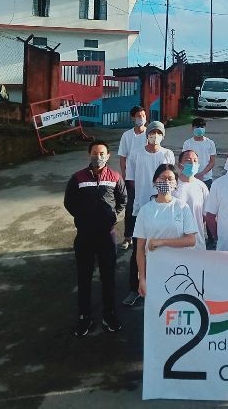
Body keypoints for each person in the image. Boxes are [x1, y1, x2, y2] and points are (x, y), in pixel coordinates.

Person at [64, 140, 127, 336]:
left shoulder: (115, 177)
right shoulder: (78, 177)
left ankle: (109, 315)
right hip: (84, 236)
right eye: (94, 153)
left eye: (101, 154)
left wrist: (113, 216)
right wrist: (83, 218)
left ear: (108, 156)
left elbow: (122, 199)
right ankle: (84, 317)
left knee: (108, 277)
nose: (98, 157)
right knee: (84, 277)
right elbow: (69, 202)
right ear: (88, 154)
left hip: (106, 236)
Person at [123, 121, 175, 307]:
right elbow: (131, 181)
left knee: (162, 248)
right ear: (147, 134)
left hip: (163, 207)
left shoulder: (167, 154)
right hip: (141, 209)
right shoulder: (136, 155)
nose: (155, 135)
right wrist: (140, 201)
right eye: (152, 132)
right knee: (138, 250)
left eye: (158, 132)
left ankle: (161, 287)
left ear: (163, 135)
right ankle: (134, 288)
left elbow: (170, 179)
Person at [134, 164, 198, 298]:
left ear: (176, 183)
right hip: (154, 269)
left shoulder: (182, 207)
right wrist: (142, 278)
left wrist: (161, 242)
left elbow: (191, 240)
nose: (166, 182)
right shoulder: (145, 210)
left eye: (170, 179)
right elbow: (140, 249)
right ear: (155, 181)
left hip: (179, 269)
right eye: (162, 178)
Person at [116, 105, 147, 250]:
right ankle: (128, 237)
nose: (141, 119)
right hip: (131, 178)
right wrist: (125, 175)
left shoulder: (150, 134)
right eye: (139, 116)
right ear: (133, 118)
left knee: (147, 207)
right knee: (130, 208)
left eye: (143, 116)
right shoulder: (127, 136)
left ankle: (146, 236)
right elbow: (123, 157)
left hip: (148, 178)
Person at [173, 150, 209, 250]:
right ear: (180, 165)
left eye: (195, 161)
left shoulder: (202, 187)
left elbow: (206, 216)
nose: (192, 164)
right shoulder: (173, 186)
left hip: (197, 244)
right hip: (175, 243)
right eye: (188, 161)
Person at [182, 118, 216, 189]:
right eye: (197, 127)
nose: (200, 129)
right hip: (191, 177)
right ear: (192, 128)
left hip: (206, 178)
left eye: (202, 127)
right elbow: (184, 160)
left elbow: (212, 161)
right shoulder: (187, 143)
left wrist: (202, 173)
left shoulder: (210, 143)